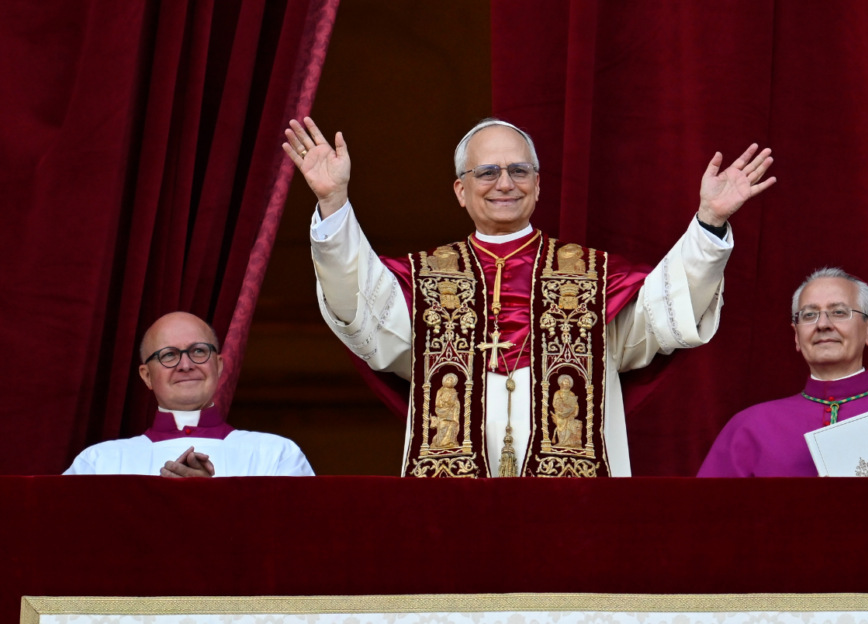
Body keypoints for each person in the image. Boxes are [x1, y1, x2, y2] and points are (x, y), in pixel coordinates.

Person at [283, 116, 775, 477]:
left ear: (538, 186)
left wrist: (709, 223)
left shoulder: (592, 278)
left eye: (519, 171)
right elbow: (361, 310)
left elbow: (666, 311)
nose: (505, 183)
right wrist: (333, 202)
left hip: (573, 498)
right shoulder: (425, 279)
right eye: (487, 172)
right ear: (460, 190)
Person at [698, 268, 868, 478]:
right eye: (809, 315)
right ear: (796, 336)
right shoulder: (750, 427)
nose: (823, 324)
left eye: (839, 312)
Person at [65, 312, 314, 477]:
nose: (186, 365)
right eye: (169, 355)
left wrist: (210, 499)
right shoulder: (99, 463)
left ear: (218, 366)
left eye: (198, 351)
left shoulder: (276, 455)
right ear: (146, 376)